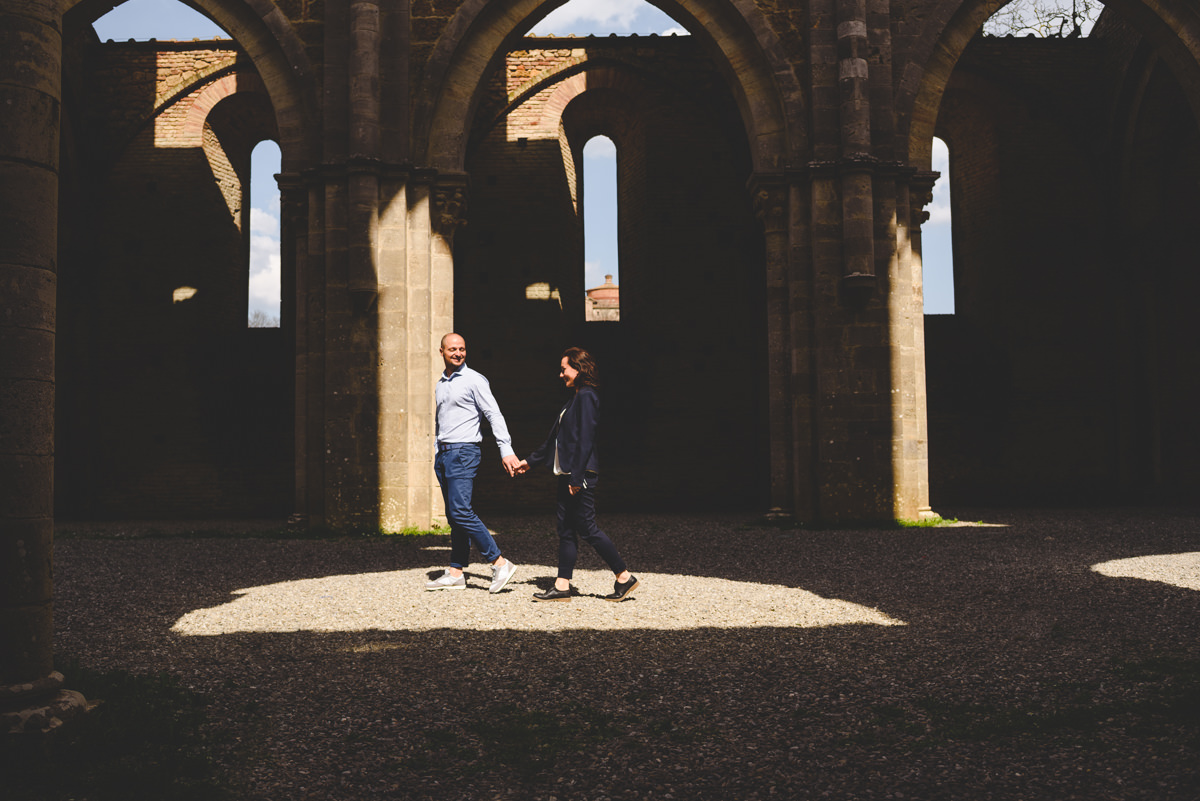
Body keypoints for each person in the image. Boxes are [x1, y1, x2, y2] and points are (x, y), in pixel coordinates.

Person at [514, 347, 638, 602]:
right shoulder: (576, 397)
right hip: (568, 472)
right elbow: (556, 441)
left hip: (579, 473)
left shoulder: (587, 396)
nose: (560, 375)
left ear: (578, 369)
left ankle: (624, 576)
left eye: (564, 369)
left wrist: (577, 476)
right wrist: (530, 461)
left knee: (587, 527)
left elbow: (585, 439)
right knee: (566, 529)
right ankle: (562, 585)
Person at [426, 333, 519, 593]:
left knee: (461, 511)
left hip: (464, 452)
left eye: (462, 349)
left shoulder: (474, 380)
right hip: (444, 453)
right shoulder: (441, 383)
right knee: (454, 516)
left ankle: (499, 562)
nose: (458, 353)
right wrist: (437, 449)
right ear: (441, 351)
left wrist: (506, 450)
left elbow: (493, 413)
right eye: (453, 349)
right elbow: (440, 420)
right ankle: (456, 572)